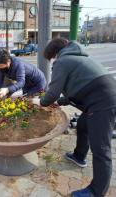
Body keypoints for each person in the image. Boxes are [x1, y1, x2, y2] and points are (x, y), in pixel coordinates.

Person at [36, 38, 116, 197]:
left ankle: (96, 191)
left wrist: (40, 102)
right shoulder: (78, 57)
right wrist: (60, 102)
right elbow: (79, 87)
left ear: (54, 54)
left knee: (101, 149)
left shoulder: (63, 61)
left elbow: (52, 92)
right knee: (82, 125)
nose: (52, 62)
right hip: (102, 96)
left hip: (101, 103)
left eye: (51, 58)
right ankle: (79, 156)